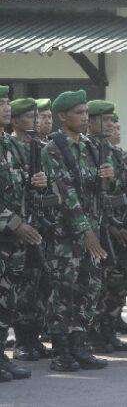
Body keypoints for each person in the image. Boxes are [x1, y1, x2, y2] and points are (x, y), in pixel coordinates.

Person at [42, 90, 110, 371]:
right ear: (62, 116)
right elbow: (65, 192)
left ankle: (79, 345)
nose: (85, 118)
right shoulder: (53, 149)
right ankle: (61, 352)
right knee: (63, 292)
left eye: (86, 113)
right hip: (66, 235)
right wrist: (86, 231)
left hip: (92, 230)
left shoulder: (91, 147)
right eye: (79, 113)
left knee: (89, 289)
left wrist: (107, 179)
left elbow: (96, 191)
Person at [85, 100, 127, 354]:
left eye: (113, 120)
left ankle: (108, 330)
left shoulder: (116, 153)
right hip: (99, 228)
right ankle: (93, 334)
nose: (111, 124)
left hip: (120, 226)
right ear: (91, 122)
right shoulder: (85, 149)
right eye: (105, 120)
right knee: (97, 285)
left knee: (118, 283)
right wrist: (111, 225)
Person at [0, 85, 34, 382]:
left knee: (7, 300)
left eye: (7, 102)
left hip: (13, 240)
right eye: (1, 103)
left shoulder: (11, 145)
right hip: (8, 230)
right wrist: (13, 222)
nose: (6, 107)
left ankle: (1, 356)